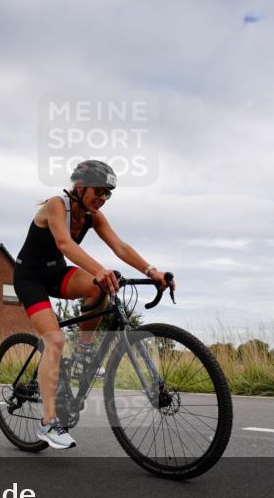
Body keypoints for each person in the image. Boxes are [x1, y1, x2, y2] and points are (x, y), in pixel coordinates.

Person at [13, 160, 174, 449]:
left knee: (99, 289)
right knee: (55, 340)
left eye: (107, 194)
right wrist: (100, 269)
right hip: (29, 278)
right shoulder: (55, 205)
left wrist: (153, 271)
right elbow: (64, 244)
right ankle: (48, 423)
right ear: (80, 187)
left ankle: (84, 353)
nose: (102, 198)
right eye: (99, 191)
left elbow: (120, 246)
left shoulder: (93, 216)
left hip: (57, 274)